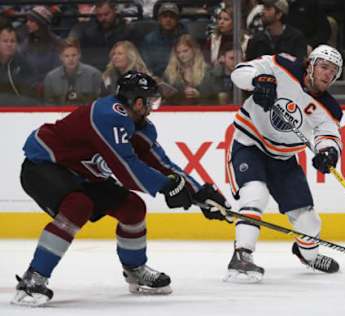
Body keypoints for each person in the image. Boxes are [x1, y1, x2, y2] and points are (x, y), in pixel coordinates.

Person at [12, 71, 231, 307]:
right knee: (78, 206)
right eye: (152, 101)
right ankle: (33, 279)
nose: (152, 107)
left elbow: (162, 164)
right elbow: (126, 167)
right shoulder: (108, 115)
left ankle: (135, 269)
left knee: (133, 208)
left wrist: (201, 192)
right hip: (45, 165)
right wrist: (167, 186)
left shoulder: (141, 127)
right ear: (138, 102)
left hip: (85, 174)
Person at [224, 45, 344, 283]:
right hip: (250, 144)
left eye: (333, 72)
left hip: (283, 159)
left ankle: (307, 255)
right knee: (254, 195)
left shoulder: (330, 108)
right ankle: (242, 255)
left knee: (308, 219)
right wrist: (260, 80)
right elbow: (239, 72)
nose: (328, 75)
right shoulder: (282, 65)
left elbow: (328, 135)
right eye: (324, 67)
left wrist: (328, 151)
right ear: (310, 64)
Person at [69, 0, 133, 71]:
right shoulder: (87, 30)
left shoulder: (126, 29)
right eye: (99, 15)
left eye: (106, 14)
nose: (103, 18)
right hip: (94, 69)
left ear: (114, 11)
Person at [44, 37, 103, 105]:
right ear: (60, 57)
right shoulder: (51, 77)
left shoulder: (94, 74)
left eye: (74, 55)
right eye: (66, 56)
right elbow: (49, 104)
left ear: (79, 55)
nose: (71, 59)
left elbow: (100, 102)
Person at [18, 6, 63, 88]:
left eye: (31, 21)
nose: (27, 23)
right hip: (29, 87)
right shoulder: (27, 41)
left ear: (40, 24)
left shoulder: (57, 43)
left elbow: (58, 71)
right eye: (27, 20)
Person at [162, 34, 215, 104]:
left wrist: (199, 95)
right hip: (176, 111)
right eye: (178, 52)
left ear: (194, 50)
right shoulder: (170, 72)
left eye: (185, 51)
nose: (181, 55)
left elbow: (214, 97)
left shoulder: (207, 71)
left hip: (201, 111)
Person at [141, 1, 187, 78]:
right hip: (156, 78)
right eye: (165, 16)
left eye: (172, 16)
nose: (168, 20)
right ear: (159, 19)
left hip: (181, 78)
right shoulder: (149, 39)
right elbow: (146, 64)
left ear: (177, 20)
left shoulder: (185, 39)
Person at [0, 24, 38, 105]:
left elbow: (29, 94)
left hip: (18, 110)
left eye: (12, 41)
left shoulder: (24, 64)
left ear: (17, 44)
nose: (9, 44)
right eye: (5, 41)